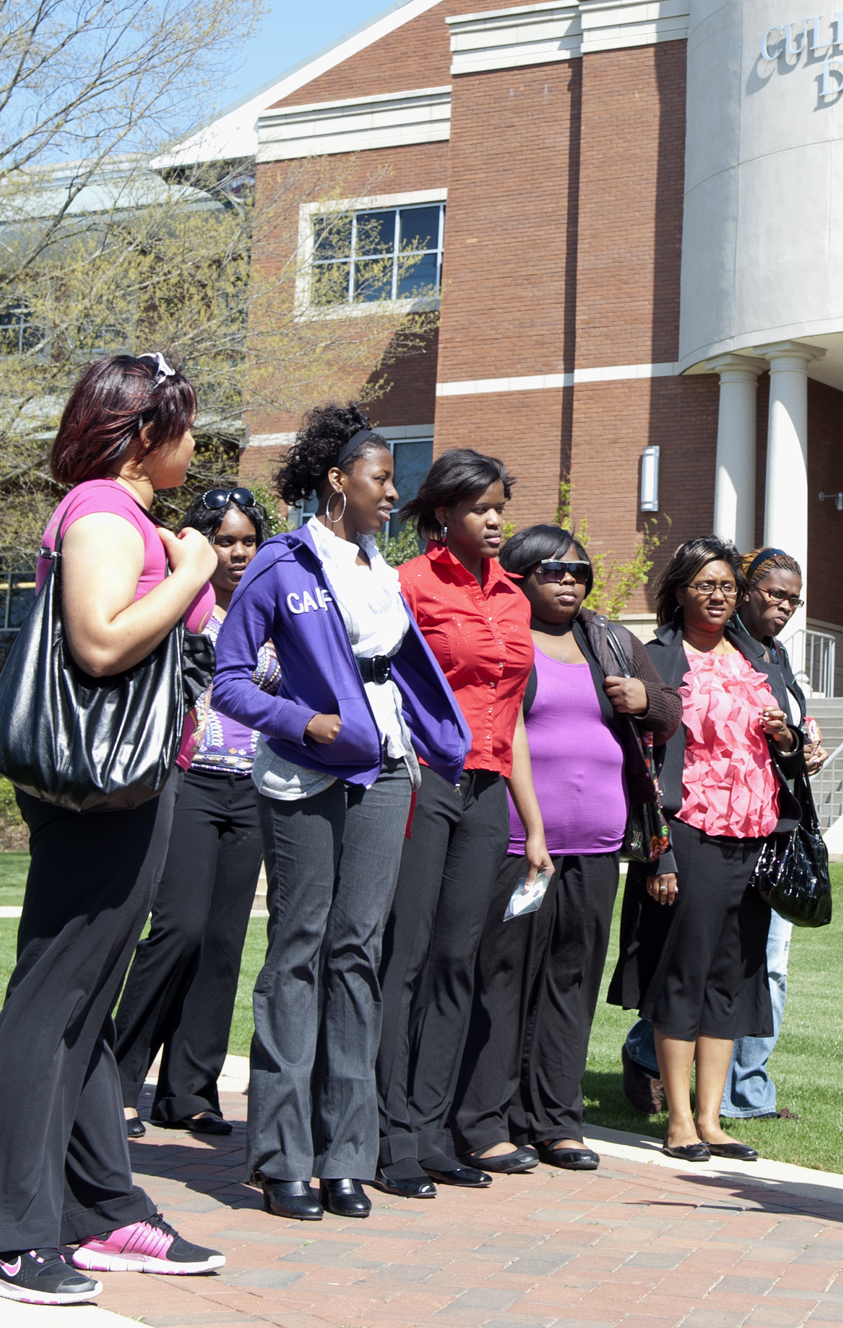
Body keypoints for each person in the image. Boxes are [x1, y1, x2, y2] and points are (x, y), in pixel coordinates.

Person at [0, 353, 225, 1305]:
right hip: (97, 790)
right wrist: (196, 566)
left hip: (133, 781)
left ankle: (98, 1206)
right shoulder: (99, 512)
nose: (197, 442)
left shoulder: (128, 517)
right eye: (185, 423)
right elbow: (95, 639)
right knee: (53, 996)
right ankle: (11, 1226)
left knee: (87, 1000)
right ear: (141, 431)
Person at [211, 405, 471, 1222]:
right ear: (336, 480)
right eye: (381, 477)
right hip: (303, 772)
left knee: (357, 952)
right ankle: (283, 1154)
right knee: (298, 948)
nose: (393, 492)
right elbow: (228, 681)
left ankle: (345, 1153)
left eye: (392, 480)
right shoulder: (281, 565)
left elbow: (400, 671)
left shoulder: (381, 570)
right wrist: (301, 721)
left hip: (386, 767)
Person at [452, 525, 679, 1171]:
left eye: (580, 570)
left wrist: (646, 697)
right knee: (502, 979)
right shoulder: (504, 638)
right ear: (521, 576)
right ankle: (485, 1120)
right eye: (554, 570)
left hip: (598, 845)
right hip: (520, 844)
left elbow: (669, 712)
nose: (571, 580)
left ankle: (555, 1118)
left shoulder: (610, 640)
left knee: (570, 981)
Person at [612, 536, 805, 1163]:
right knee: (684, 972)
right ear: (679, 592)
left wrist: (786, 737)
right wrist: (657, 854)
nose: (719, 596)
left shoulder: (757, 657)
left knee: (731, 977)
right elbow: (642, 759)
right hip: (690, 830)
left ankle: (712, 1118)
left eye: (726, 585)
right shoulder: (661, 658)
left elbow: (784, 748)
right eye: (705, 585)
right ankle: (677, 1124)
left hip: (753, 835)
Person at [374, 448, 530, 1198]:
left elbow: (515, 709)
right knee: (404, 955)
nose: (496, 518)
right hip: (424, 777)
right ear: (445, 513)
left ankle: (432, 1131)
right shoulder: (407, 584)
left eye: (501, 505)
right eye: (480, 507)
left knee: (455, 960)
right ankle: (385, 1130)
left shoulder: (516, 597)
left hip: (488, 786)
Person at [115, 485, 274, 1142]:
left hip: (254, 788)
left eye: (247, 539)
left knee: (222, 941)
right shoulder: (191, 606)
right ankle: (117, 1081)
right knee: (177, 927)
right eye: (224, 538)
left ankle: (189, 1090)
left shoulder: (273, 615)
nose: (237, 551)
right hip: (189, 782)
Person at [720, 548, 826, 1125]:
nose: (785, 607)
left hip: (780, 828)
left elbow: (789, 728)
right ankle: (648, 1053)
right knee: (712, 953)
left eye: (793, 600)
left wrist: (803, 746)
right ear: (744, 588)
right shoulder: (718, 647)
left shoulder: (779, 656)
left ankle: (748, 1090)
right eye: (775, 594)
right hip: (725, 824)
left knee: (773, 963)